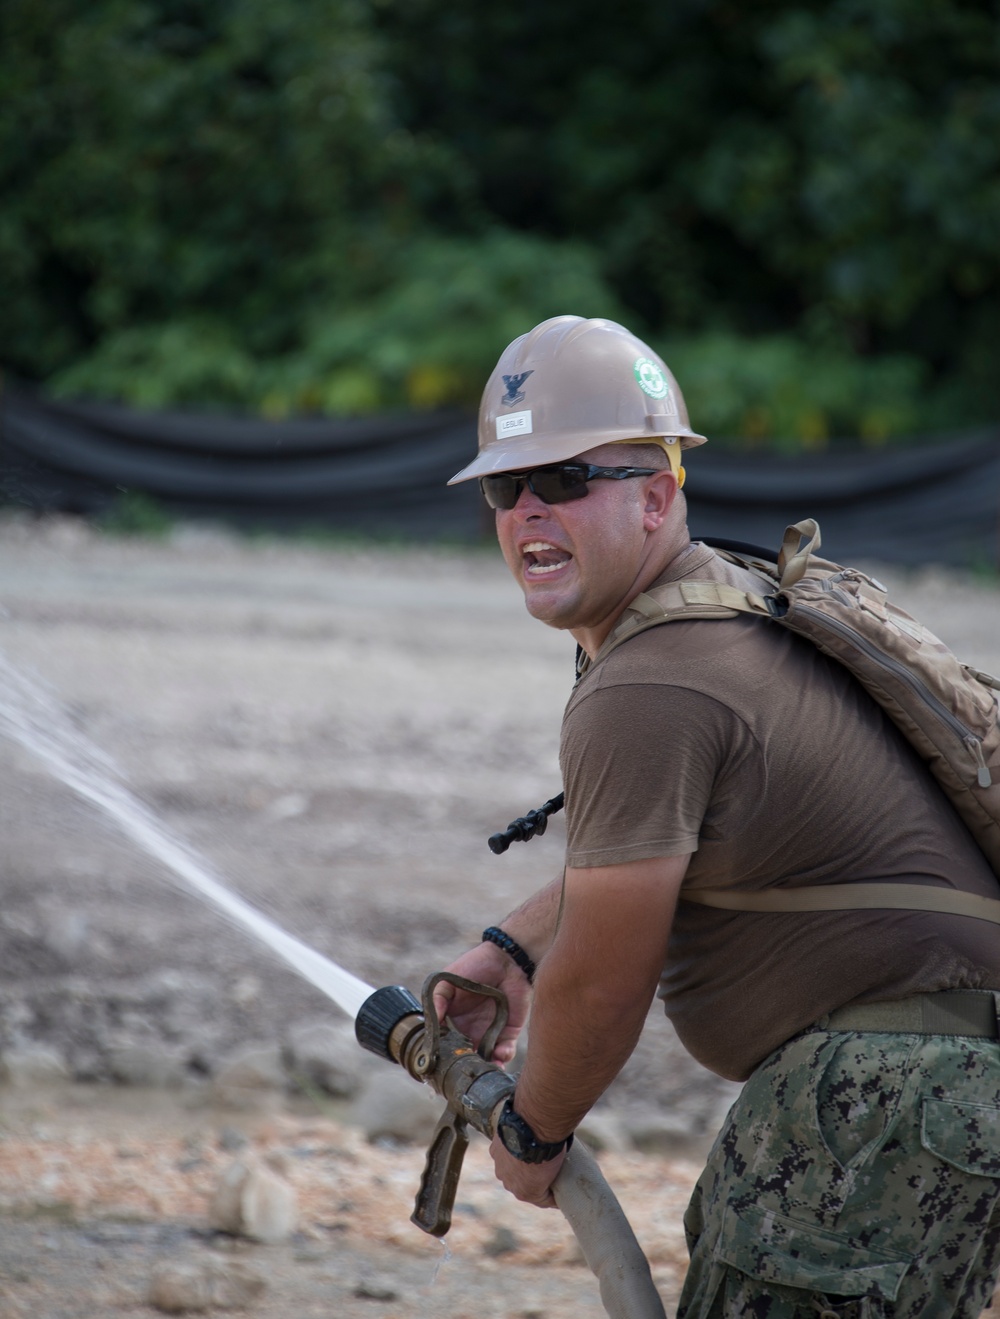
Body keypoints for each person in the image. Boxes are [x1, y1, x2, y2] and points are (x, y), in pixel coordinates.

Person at [434, 315, 1000, 1318]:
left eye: (565, 479)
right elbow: (662, 853)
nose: (528, 508)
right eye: (503, 485)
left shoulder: (651, 684)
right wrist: (509, 950)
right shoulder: (724, 609)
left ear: (656, 494)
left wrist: (536, 1127)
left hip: (877, 1104)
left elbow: (606, 980)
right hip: (939, 1090)